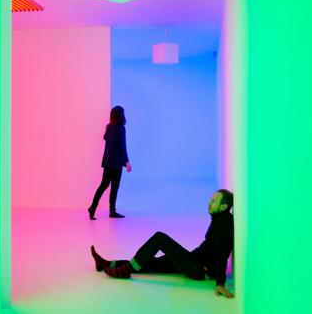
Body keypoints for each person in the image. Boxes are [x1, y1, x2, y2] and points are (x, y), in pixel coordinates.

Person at [90, 189, 234, 298]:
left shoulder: (224, 224)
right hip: (194, 260)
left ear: (223, 207)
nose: (209, 202)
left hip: (199, 269)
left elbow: (222, 253)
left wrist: (220, 283)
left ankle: (125, 271)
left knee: (160, 238)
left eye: (214, 201)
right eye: (211, 199)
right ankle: (106, 263)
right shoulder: (220, 219)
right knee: (151, 263)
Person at [88, 106, 132, 220]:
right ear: (120, 115)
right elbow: (123, 146)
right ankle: (112, 211)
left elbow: (105, 138)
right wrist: (127, 162)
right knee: (114, 187)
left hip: (108, 162)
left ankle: (93, 208)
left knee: (103, 185)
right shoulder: (121, 128)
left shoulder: (109, 127)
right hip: (116, 163)